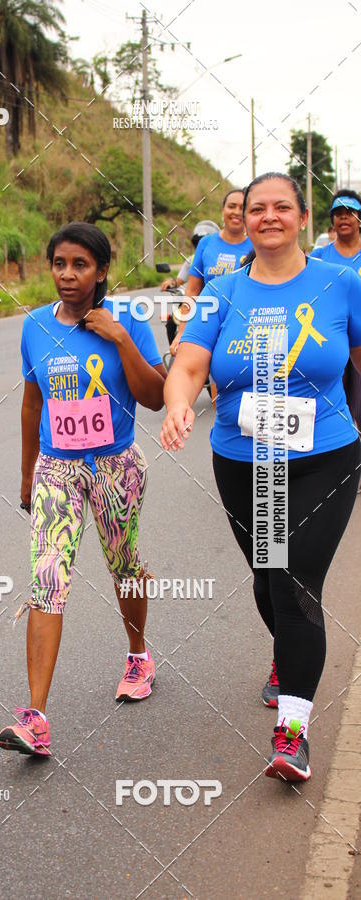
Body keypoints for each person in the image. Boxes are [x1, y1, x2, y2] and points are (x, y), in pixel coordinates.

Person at [160, 172, 361, 782]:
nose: (268, 216)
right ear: (243, 219)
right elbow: (188, 365)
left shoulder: (341, 284)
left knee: (297, 583)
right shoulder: (221, 292)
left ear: (302, 217)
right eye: (256, 209)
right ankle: (289, 654)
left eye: (281, 207)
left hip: (325, 457)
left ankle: (292, 735)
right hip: (246, 462)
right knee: (269, 581)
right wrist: (177, 404)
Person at [0, 222, 166, 757]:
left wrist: (119, 338)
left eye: (80, 265)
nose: (67, 275)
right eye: (59, 264)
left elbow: (156, 397)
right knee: (47, 579)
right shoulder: (35, 327)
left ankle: (137, 655)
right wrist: (27, 474)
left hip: (116, 466)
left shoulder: (129, 320)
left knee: (125, 567)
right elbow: (32, 404)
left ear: (102, 271)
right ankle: (35, 718)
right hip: (57, 470)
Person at [169, 189, 253, 358]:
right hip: (208, 324)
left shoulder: (256, 244)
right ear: (223, 210)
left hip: (243, 327)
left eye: (242, 207)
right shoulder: (206, 243)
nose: (236, 212)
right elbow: (193, 290)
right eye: (232, 206)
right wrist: (182, 332)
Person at [311, 190, 361, 430]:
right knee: (333, 412)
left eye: (350, 212)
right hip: (331, 342)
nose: (343, 217)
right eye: (338, 213)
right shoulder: (319, 257)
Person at [160, 220, 220, 293]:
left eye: (206, 244)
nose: (202, 247)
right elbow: (178, 281)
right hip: (196, 297)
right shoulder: (192, 260)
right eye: (199, 244)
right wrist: (171, 282)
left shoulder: (223, 259)